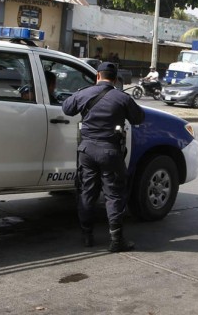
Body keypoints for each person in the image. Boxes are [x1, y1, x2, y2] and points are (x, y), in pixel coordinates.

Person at [62, 62, 145, 252]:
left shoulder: (84, 93)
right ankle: (116, 240)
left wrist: (79, 95)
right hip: (110, 151)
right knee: (114, 195)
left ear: (97, 76)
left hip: (86, 151)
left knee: (86, 192)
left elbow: (66, 108)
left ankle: (87, 236)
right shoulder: (121, 97)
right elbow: (139, 118)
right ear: (115, 79)